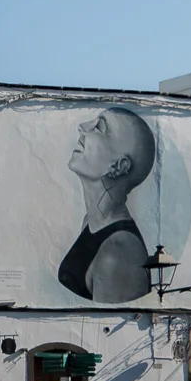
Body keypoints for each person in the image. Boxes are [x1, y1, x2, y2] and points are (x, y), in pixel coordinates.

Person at [58, 107, 155, 303]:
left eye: (99, 128)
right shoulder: (90, 222)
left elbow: (109, 327)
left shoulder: (119, 253)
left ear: (120, 166)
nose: (82, 127)